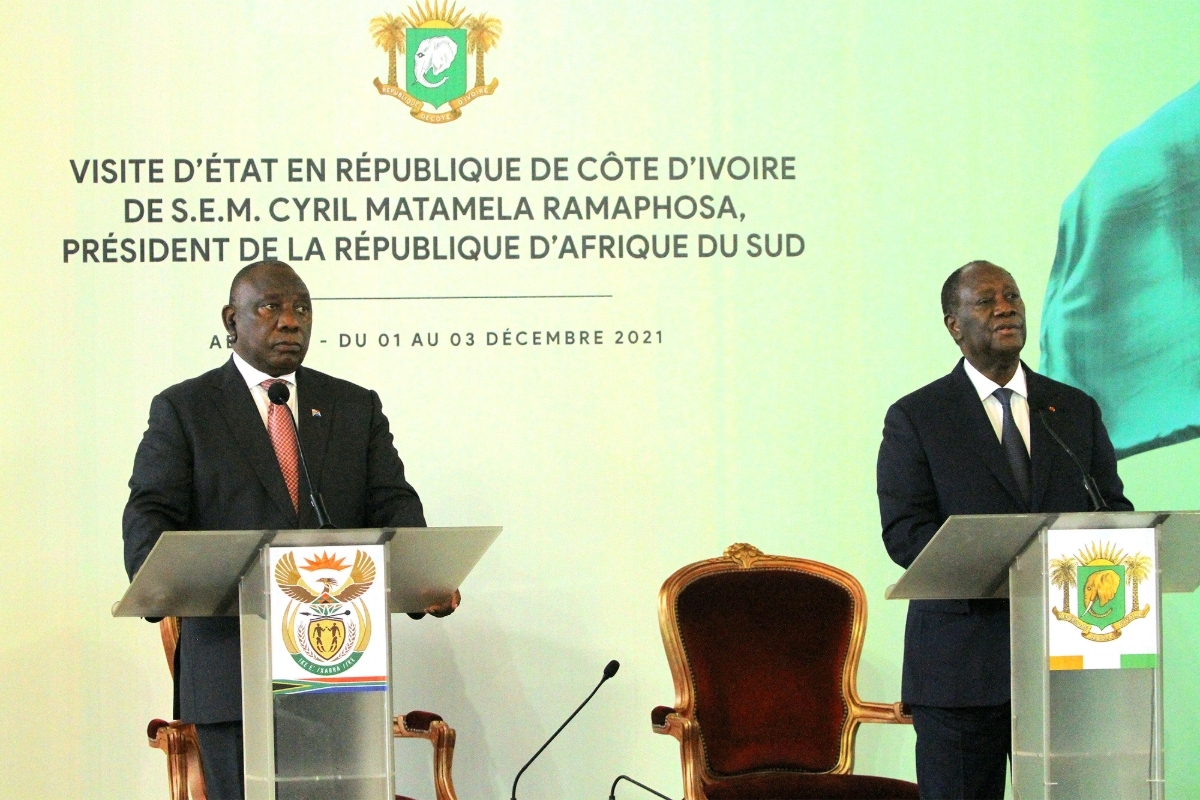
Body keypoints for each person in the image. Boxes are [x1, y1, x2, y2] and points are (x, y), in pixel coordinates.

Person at [123, 260, 452, 799]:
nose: (290, 321)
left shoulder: (352, 406)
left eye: (302, 308)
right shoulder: (186, 408)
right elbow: (151, 510)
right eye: (270, 307)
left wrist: (424, 579)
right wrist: (154, 583)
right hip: (233, 676)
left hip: (340, 672)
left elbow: (392, 501)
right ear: (231, 319)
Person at [876, 260, 1132, 799]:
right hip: (960, 669)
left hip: (1067, 663)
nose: (1005, 308)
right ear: (954, 325)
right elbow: (905, 533)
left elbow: (1112, 510)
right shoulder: (918, 416)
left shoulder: (1073, 410)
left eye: (1012, 296)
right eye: (986, 300)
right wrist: (999, 556)